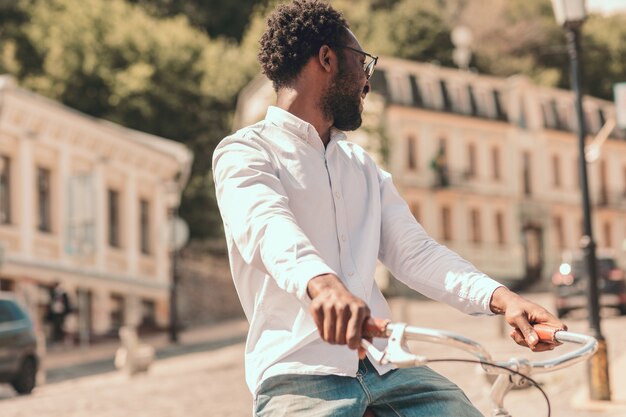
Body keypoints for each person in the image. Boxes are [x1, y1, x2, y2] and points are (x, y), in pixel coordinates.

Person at [212, 1, 566, 415]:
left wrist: (502, 298)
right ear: (326, 59)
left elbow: (415, 252)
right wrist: (321, 285)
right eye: (363, 64)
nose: (367, 80)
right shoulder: (244, 152)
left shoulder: (363, 167)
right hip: (299, 373)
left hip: (391, 367)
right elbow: (266, 225)